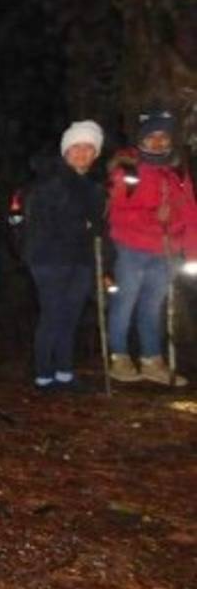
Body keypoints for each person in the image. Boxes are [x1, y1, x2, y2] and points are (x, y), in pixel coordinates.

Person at [106, 107, 197, 386]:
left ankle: (151, 359)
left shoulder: (178, 172)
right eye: (152, 136)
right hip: (131, 248)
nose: (158, 142)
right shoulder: (127, 169)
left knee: (153, 307)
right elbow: (114, 211)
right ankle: (119, 357)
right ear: (142, 139)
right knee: (124, 303)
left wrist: (192, 250)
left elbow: (191, 212)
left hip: (166, 251)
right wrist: (152, 216)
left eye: (163, 136)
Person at [21, 121, 106, 392]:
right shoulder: (51, 182)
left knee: (71, 316)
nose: (82, 153)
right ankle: (44, 374)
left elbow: (98, 227)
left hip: (79, 261)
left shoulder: (93, 187)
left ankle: (65, 372)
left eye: (88, 148)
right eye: (76, 147)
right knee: (53, 315)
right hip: (49, 260)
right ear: (66, 151)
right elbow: (44, 223)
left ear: (96, 154)